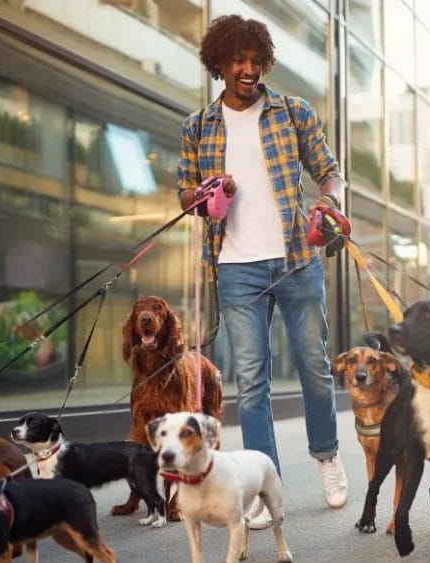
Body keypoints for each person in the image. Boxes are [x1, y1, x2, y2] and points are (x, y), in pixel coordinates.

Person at [177, 14, 348, 529]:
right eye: (238, 60)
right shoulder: (198, 126)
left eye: (255, 60)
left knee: (315, 367)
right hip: (235, 267)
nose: (248, 69)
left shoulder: (292, 112)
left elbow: (329, 171)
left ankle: (327, 456)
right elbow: (186, 194)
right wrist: (206, 194)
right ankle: (260, 482)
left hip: (296, 258)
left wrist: (329, 204)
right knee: (251, 380)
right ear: (220, 64)